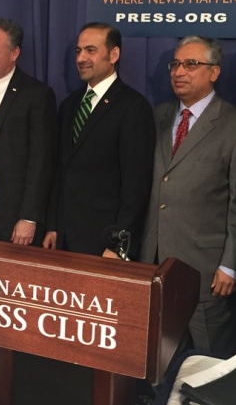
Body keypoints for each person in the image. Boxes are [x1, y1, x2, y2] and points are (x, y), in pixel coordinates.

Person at [140, 35, 236, 357]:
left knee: (209, 359)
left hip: (205, 270)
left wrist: (231, 265)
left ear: (214, 72)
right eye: (175, 64)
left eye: (191, 64)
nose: (179, 72)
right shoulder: (158, 115)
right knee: (158, 357)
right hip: (155, 264)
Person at [43, 22, 154, 259]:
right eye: (78, 51)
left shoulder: (133, 107)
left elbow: (136, 185)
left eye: (90, 50)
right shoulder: (70, 105)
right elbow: (60, 170)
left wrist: (118, 243)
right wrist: (53, 225)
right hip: (64, 236)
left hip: (104, 240)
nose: (81, 58)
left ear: (113, 55)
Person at [0, 18, 57, 246]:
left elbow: (41, 160)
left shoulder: (36, 95)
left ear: (14, 53)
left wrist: (29, 217)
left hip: (11, 217)